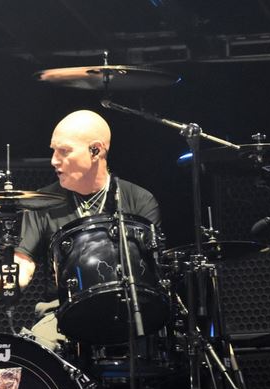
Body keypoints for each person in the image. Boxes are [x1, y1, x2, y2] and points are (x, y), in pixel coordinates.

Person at [12, 109, 161, 348]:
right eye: (53, 150)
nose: (54, 160)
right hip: (61, 314)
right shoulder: (42, 202)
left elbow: (150, 272)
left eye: (64, 151)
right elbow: (23, 262)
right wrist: (7, 279)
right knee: (31, 354)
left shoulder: (140, 201)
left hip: (128, 313)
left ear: (96, 150)